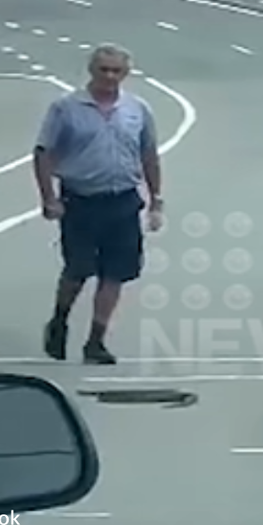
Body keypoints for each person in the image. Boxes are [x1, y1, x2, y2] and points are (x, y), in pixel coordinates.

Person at [32, 43, 163, 365]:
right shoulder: (66, 108)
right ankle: (60, 320)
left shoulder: (137, 109)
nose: (109, 76)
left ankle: (96, 341)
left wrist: (156, 200)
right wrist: (48, 198)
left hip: (122, 201)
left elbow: (149, 154)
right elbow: (43, 153)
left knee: (114, 274)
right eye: (103, 70)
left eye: (116, 71)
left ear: (125, 73)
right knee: (78, 270)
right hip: (80, 201)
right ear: (92, 71)